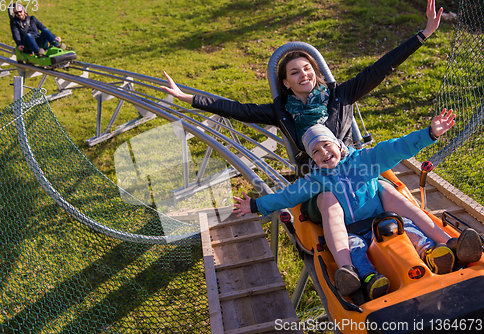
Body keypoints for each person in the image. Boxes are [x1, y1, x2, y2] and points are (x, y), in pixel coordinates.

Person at [160, 0, 445, 230]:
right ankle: (348, 264)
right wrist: (189, 98)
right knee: (330, 205)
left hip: (354, 171)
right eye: (294, 72)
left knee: (390, 192)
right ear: (286, 82)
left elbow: (381, 68)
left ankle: (431, 238)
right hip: (319, 181)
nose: (303, 75)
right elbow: (236, 109)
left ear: (315, 72)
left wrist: (424, 34)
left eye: (307, 69)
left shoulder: (340, 96)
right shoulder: (282, 112)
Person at [232, 109, 483, 300]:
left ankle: (435, 252)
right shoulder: (318, 179)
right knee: (356, 252)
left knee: (411, 233)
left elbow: (395, 148)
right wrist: (256, 205)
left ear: (339, 145)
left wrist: (429, 134)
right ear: (314, 159)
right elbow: (289, 196)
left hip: (384, 219)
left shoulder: (365, 160)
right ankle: (364, 278)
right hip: (352, 230)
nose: (323, 153)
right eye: (316, 151)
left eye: (326, 145)